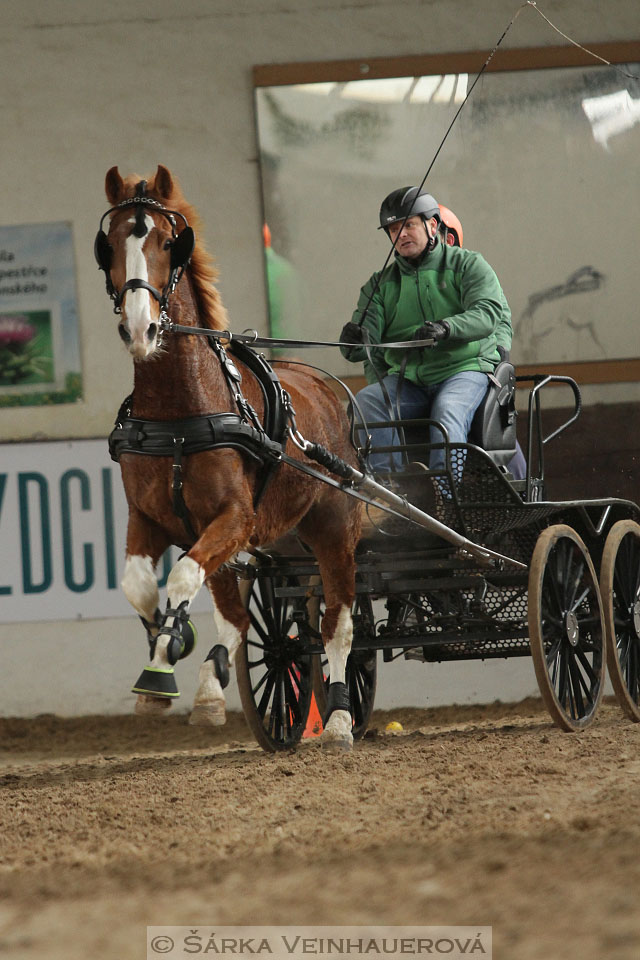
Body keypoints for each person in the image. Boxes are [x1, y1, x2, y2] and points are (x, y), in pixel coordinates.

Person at [340, 186, 506, 478]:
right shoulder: (379, 285)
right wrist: (353, 341)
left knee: (448, 410)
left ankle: (445, 497)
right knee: (366, 402)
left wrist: (446, 327)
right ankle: (388, 494)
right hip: (409, 380)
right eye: (392, 230)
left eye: (408, 225)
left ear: (432, 225)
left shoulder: (468, 265)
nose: (400, 235)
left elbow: (489, 314)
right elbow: (364, 345)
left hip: (463, 370)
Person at [438, 204, 526, 481]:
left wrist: (494, 362)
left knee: (493, 431)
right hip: (429, 375)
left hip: (473, 370)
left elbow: (498, 321)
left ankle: (523, 491)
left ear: (447, 239)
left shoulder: (471, 272)